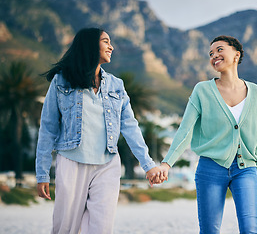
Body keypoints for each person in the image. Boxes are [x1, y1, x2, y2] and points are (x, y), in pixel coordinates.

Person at [35, 27, 162, 234]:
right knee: (65, 228)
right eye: (105, 41)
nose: (111, 46)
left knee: (101, 229)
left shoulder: (116, 85)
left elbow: (130, 126)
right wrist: (42, 174)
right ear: (90, 45)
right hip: (71, 162)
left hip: (107, 164)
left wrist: (148, 165)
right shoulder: (62, 80)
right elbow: (48, 128)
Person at [159, 35, 257, 234]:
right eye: (210, 53)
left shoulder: (256, 92)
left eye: (219, 50)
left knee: (251, 229)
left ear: (236, 54)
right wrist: (167, 163)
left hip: (246, 169)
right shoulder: (202, 90)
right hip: (210, 168)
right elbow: (185, 131)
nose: (214, 56)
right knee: (209, 230)